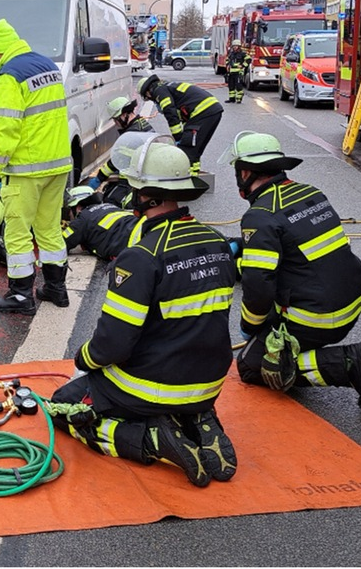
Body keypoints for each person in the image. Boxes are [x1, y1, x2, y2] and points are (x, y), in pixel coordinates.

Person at [48, 139, 237, 488]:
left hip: (150, 388)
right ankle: (197, 417)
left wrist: (83, 360)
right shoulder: (217, 243)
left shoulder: (141, 257)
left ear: (144, 194)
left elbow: (112, 345)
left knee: (62, 408)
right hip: (210, 383)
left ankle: (152, 441)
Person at [225, 131, 361, 413]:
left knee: (252, 365)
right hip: (351, 300)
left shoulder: (260, 215)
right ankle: (319, 353)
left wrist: (250, 327)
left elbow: (258, 288)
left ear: (245, 172)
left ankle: (347, 363)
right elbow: (294, 241)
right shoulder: (310, 192)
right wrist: (240, 245)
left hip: (318, 317)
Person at [0, 18, 72, 314]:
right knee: (49, 228)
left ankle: (21, 296)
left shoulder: (8, 76)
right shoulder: (48, 66)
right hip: (57, 165)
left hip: (25, 170)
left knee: (18, 232)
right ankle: (56, 288)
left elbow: (5, 127)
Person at [138, 74, 223, 176]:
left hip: (202, 112)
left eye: (148, 98)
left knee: (186, 150)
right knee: (194, 151)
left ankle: (186, 182)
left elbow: (170, 112)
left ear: (148, 92)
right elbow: (183, 113)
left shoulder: (158, 91)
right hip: (211, 112)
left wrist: (178, 137)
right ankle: (193, 178)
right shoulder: (167, 87)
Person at [225, 39, 251, 104]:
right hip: (231, 72)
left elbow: (249, 60)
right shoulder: (231, 54)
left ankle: (239, 99)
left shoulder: (242, 53)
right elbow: (227, 60)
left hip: (238, 73)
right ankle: (232, 99)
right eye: (233, 46)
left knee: (238, 86)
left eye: (236, 46)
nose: (234, 47)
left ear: (239, 46)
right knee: (231, 86)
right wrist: (227, 65)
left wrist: (242, 66)